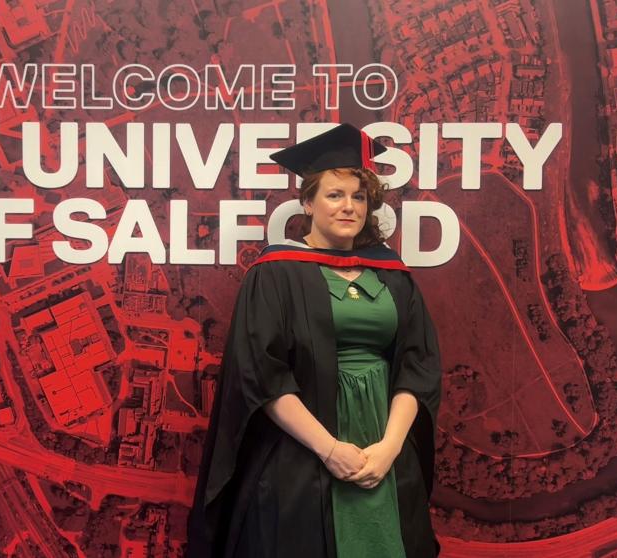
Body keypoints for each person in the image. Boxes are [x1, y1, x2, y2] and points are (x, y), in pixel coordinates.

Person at [186, 123, 443, 558]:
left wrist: (390, 449)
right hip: (305, 452)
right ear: (307, 201)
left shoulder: (392, 275)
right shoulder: (276, 273)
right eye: (334, 195)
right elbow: (262, 375)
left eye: (359, 197)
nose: (349, 207)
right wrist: (330, 450)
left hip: (383, 447)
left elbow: (416, 368)